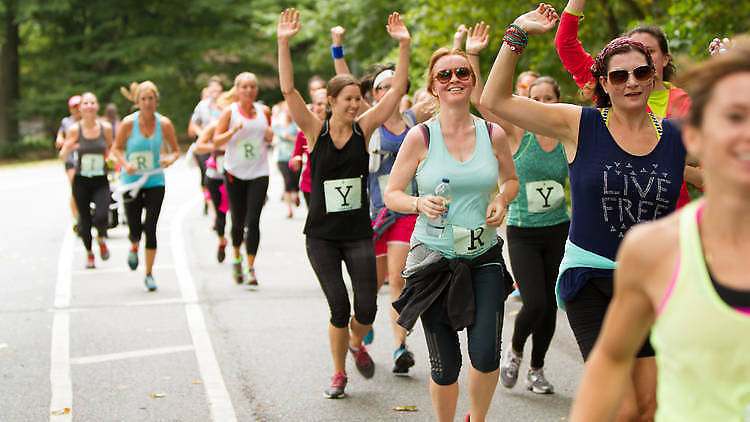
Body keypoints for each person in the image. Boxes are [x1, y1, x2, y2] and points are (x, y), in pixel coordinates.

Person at [481, 4, 691, 421]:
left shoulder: (679, 136)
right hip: (590, 278)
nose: (631, 82)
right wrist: (517, 33)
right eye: (618, 75)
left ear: (655, 75)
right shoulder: (580, 124)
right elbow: (494, 99)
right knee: (622, 403)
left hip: (651, 283)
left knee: (649, 406)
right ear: (603, 83)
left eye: (640, 72)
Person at [569, 38, 750, 422]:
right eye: (733, 116)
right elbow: (610, 364)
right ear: (695, 138)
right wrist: (517, 36)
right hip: (591, 271)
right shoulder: (654, 253)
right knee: (634, 407)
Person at [278, 8, 412, 398]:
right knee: (339, 306)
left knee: (366, 310)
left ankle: (357, 343)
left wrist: (403, 45)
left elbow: (398, 89)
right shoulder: (313, 130)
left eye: (359, 98)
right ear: (332, 101)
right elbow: (289, 91)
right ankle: (339, 373)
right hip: (321, 236)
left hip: (357, 234)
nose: (357, 104)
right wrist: (283, 42)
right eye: (349, 99)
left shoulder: (364, 128)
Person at [385, 45, 519, 421]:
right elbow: (392, 194)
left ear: (472, 80)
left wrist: (503, 200)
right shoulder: (420, 138)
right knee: (445, 365)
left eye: (462, 72)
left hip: (484, 258)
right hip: (435, 261)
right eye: (445, 75)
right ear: (433, 86)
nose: (454, 79)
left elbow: (510, 180)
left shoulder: (493, 134)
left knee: (486, 354)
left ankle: (477, 417)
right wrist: (418, 203)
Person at [554, 0, 702, 207]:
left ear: (665, 58)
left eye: (647, 51)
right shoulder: (613, 92)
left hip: (670, 219)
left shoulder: (684, 104)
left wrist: (663, 160)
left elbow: (710, 176)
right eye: (630, 50)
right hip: (615, 218)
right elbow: (565, 44)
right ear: (606, 83)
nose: (637, 58)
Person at [112, 81, 180, 291]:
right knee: (135, 227)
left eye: (151, 99)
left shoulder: (165, 124)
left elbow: (176, 150)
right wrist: (126, 164)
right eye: (143, 99)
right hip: (131, 181)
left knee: (151, 227)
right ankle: (134, 244)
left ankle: (149, 273)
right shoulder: (127, 124)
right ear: (137, 102)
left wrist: (170, 159)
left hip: (155, 180)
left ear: (156, 101)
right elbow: (116, 149)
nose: (148, 103)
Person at [212, 72, 273, 287]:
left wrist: (269, 135)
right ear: (237, 90)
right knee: (237, 221)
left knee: (253, 220)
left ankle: (250, 267)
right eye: (244, 87)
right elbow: (217, 141)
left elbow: (269, 136)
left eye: (253, 86)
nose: (249, 90)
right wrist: (233, 131)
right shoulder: (230, 112)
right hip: (235, 173)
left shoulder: (264, 111)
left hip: (259, 172)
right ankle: (236, 256)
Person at [59, 92, 113, 269]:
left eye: (92, 103)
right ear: (80, 108)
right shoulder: (74, 129)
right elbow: (62, 155)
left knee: (102, 215)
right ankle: (90, 253)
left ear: (97, 106)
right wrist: (68, 148)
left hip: (100, 179)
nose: (89, 106)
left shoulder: (105, 128)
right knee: (84, 222)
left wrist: (113, 162)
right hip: (81, 180)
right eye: (85, 103)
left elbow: (112, 149)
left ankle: (101, 237)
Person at [193, 91, 234, 263]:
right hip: (216, 175)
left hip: (237, 175)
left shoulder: (240, 125)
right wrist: (217, 145)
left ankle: (239, 237)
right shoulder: (213, 126)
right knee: (220, 213)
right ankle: (221, 240)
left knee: (238, 211)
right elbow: (198, 147)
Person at [189, 76, 224, 215]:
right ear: (208, 90)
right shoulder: (202, 105)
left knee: (221, 174)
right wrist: (203, 134)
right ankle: (209, 203)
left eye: (217, 87)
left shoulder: (226, 104)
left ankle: (219, 201)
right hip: (205, 146)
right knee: (206, 174)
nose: (215, 90)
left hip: (221, 146)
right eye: (212, 88)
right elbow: (194, 124)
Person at [290, 88, 327, 208]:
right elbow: (295, 158)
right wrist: (296, 161)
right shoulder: (304, 132)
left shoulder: (339, 130)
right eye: (319, 104)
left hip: (333, 186)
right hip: (310, 186)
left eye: (327, 104)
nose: (323, 107)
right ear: (313, 106)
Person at [56, 95, 83, 231]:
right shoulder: (66, 122)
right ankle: (77, 218)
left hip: (86, 159)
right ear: (70, 109)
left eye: (79, 106)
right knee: (75, 187)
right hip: (72, 159)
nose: (77, 109)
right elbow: (59, 138)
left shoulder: (89, 121)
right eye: (74, 107)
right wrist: (63, 142)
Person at [272, 102, 301, 218]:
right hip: (282, 158)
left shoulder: (295, 125)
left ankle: (296, 193)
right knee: (287, 181)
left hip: (295, 157)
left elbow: (300, 137)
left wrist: (290, 138)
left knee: (295, 180)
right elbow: (275, 134)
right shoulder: (278, 125)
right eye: (286, 110)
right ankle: (289, 209)